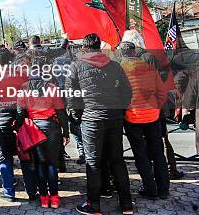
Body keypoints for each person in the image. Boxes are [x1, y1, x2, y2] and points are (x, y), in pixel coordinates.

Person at [66, 33, 133, 215]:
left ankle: (94, 205)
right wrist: (119, 109)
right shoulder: (114, 65)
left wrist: (79, 116)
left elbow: (71, 97)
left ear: (85, 47)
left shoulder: (76, 66)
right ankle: (126, 204)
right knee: (117, 160)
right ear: (99, 47)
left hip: (91, 119)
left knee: (93, 163)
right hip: (114, 118)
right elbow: (127, 92)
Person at [17, 50, 69, 209]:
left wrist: (20, 129)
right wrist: (66, 133)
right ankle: (54, 198)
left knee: (40, 164)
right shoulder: (52, 87)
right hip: (52, 128)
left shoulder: (24, 87)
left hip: (34, 129)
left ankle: (44, 198)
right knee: (52, 164)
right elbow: (61, 112)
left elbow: (20, 112)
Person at [118, 41, 169, 199]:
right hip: (153, 116)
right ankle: (164, 190)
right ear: (135, 52)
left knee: (140, 155)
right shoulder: (149, 67)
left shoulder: (120, 70)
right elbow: (162, 93)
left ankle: (150, 189)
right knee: (158, 153)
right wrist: (154, 107)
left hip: (133, 118)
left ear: (122, 53)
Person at [0, 47, 36, 202]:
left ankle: (9, 192)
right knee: (25, 157)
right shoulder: (22, 75)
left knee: (4, 156)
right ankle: (32, 192)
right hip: (20, 120)